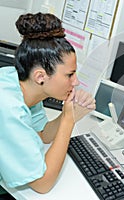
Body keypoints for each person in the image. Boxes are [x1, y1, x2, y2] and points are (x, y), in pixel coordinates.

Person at [0, 12, 96, 194]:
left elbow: (43, 134)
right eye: (69, 74)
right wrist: (68, 121)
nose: (75, 82)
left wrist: (69, 114)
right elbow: (42, 184)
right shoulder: (8, 107)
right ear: (40, 76)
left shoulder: (18, 82)